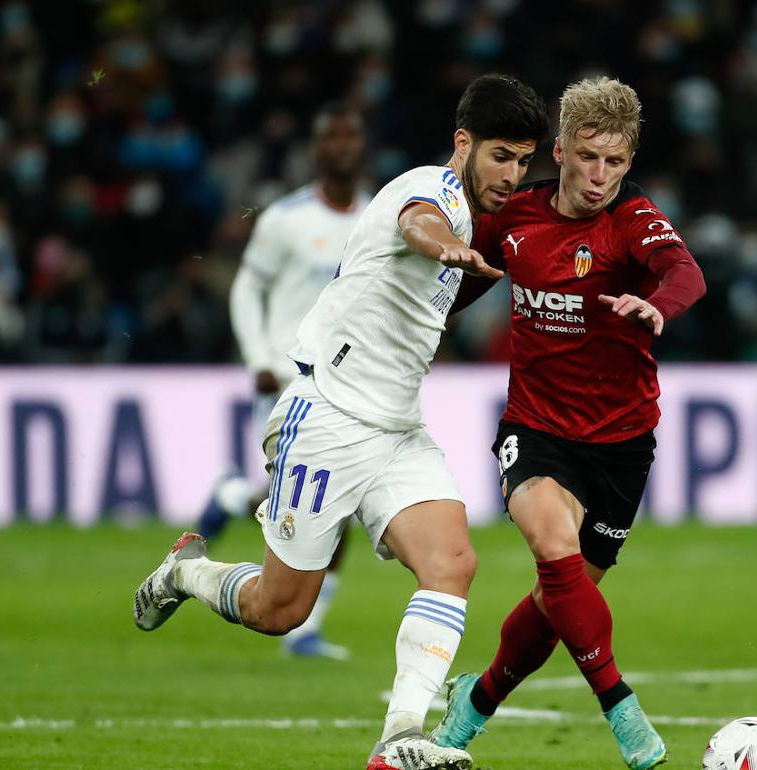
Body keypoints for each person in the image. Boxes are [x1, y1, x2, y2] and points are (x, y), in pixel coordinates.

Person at [132, 74, 550, 770]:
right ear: (463, 143)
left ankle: (400, 739)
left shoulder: (476, 215)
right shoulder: (432, 192)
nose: (511, 174)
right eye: (501, 156)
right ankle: (186, 573)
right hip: (326, 416)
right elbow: (420, 222)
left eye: (523, 160)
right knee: (278, 610)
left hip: (394, 428)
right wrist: (443, 246)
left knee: (452, 563)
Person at [429, 76, 706, 770]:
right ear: (561, 150)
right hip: (537, 428)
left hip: (621, 442)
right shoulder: (515, 217)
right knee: (553, 548)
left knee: (559, 604)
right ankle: (623, 709)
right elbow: (456, 285)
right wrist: (414, 324)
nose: (601, 177)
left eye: (616, 163)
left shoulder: (631, 221)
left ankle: (476, 701)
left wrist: (658, 307)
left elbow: (684, 271)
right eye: (588, 158)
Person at [193, 101, 372, 661]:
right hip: (288, 381)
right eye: (331, 135)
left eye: (351, 136)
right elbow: (247, 289)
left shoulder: (379, 218)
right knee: (300, 502)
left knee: (339, 502)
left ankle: (307, 628)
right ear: (316, 150)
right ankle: (234, 497)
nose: (342, 145)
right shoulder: (285, 219)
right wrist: (257, 358)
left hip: (352, 386)